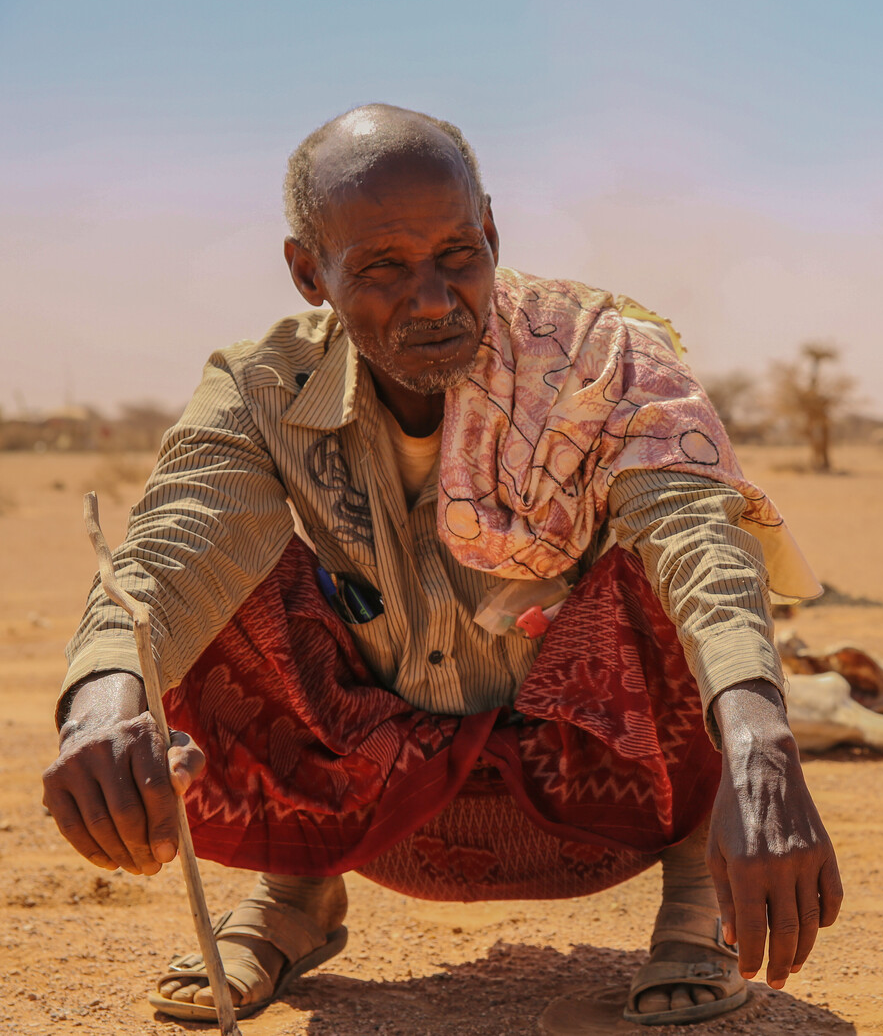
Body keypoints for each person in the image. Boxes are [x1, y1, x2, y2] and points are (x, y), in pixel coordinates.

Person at [41, 104, 842, 1026]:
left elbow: (698, 532)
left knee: (680, 573)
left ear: (492, 230)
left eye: (458, 254)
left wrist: (761, 740)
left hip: (589, 760)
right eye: (382, 267)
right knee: (219, 584)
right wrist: (102, 702)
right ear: (310, 272)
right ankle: (296, 893)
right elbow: (172, 545)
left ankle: (702, 886)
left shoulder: (602, 359)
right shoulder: (264, 387)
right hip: (376, 771)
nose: (431, 299)